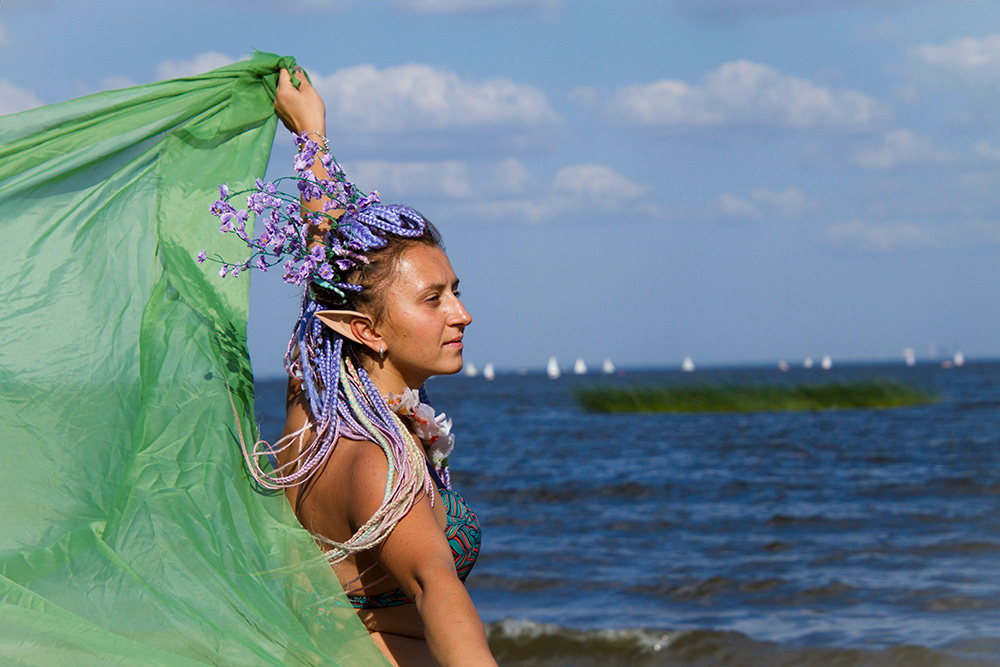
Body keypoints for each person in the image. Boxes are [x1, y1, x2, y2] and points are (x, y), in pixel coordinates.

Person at [240, 67, 496, 666]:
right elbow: (437, 587)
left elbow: (328, 267)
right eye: (433, 299)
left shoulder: (312, 406)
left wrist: (311, 135)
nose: (461, 314)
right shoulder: (381, 464)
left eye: (455, 290)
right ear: (365, 330)